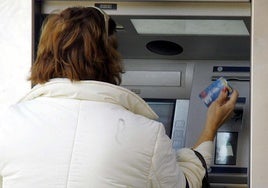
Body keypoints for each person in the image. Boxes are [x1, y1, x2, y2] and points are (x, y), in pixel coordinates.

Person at [0, 6, 238, 188]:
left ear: (43, 55)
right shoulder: (146, 133)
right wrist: (210, 128)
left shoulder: (7, 125)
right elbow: (186, 183)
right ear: (109, 58)